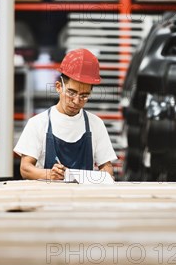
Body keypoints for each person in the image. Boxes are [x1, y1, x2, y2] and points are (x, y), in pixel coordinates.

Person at [14, 48, 117, 180]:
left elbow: (107, 167)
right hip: (47, 197)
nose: (76, 101)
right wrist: (49, 174)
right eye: (71, 93)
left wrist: (104, 177)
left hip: (84, 198)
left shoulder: (95, 124)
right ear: (58, 87)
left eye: (84, 96)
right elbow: (25, 168)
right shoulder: (38, 123)